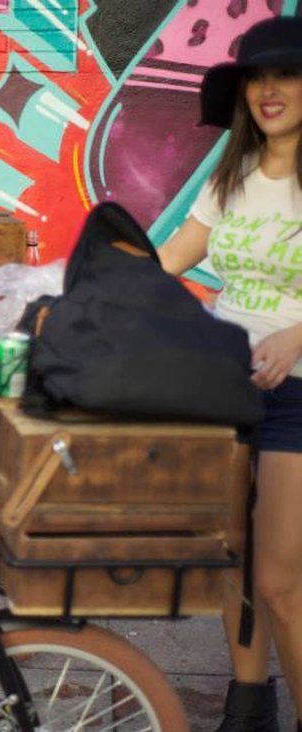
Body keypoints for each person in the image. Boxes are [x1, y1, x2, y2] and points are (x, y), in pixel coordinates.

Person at [157, 15, 302, 732]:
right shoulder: (231, 174)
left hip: (297, 398)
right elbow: (173, 257)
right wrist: (89, 284)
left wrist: (298, 335)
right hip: (226, 390)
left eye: (287, 75)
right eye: (256, 78)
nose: (268, 91)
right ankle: (249, 711)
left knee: (279, 581)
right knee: (233, 560)